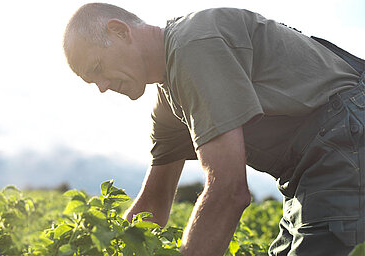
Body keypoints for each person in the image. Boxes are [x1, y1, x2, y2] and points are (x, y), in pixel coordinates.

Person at [63, 3, 365, 256]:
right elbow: (154, 204)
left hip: (346, 141)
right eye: (93, 82)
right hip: (311, 171)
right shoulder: (169, 102)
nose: (101, 88)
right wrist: (113, 246)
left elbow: (229, 190)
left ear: (120, 31)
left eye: (98, 68)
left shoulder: (193, 48)